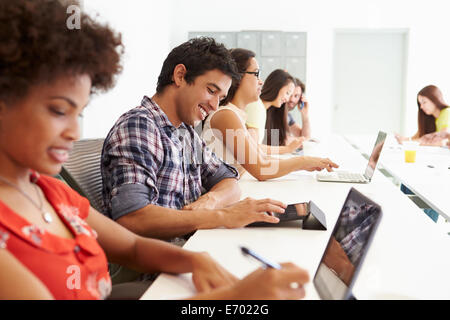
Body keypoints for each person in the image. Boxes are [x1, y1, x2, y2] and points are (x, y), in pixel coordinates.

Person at [0, 0, 310, 300]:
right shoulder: (139, 128)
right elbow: (134, 221)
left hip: (177, 258)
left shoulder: (50, 192)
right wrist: (231, 293)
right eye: (58, 110)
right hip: (155, 280)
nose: (75, 133)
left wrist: (198, 255)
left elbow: (134, 247)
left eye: (77, 112)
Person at [101, 37, 288, 241]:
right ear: (180, 76)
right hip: (163, 263)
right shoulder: (140, 126)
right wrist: (220, 216)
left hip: (193, 245)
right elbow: (133, 218)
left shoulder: (185, 133)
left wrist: (210, 201)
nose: (215, 106)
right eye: (211, 91)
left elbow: (229, 180)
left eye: (221, 97)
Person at [201, 48, 338, 181]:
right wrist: (303, 161)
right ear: (238, 77)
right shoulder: (226, 115)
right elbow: (261, 168)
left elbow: (261, 158)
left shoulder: (236, 115)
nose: (261, 82)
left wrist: (304, 163)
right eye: (256, 74)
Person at [245, 70, 304, 154]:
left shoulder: (262, 109)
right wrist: (287, 149)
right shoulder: (256, 106)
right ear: (277, 86)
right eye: (287, 93)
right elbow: (252, 148)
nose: (287, 99)